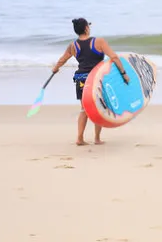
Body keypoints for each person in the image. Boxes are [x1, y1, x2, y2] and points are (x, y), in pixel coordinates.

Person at [51, 17, 129, 146]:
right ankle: (97, 139)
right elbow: (114, 57)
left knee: (84, 109)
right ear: (87, 28)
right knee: (99, 108)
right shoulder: (99, 42)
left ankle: (80, 138)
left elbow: (62, 59)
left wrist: (55, 69)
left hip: (81, 79)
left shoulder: (73, 46)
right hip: (96, 79)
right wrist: (123, 73)